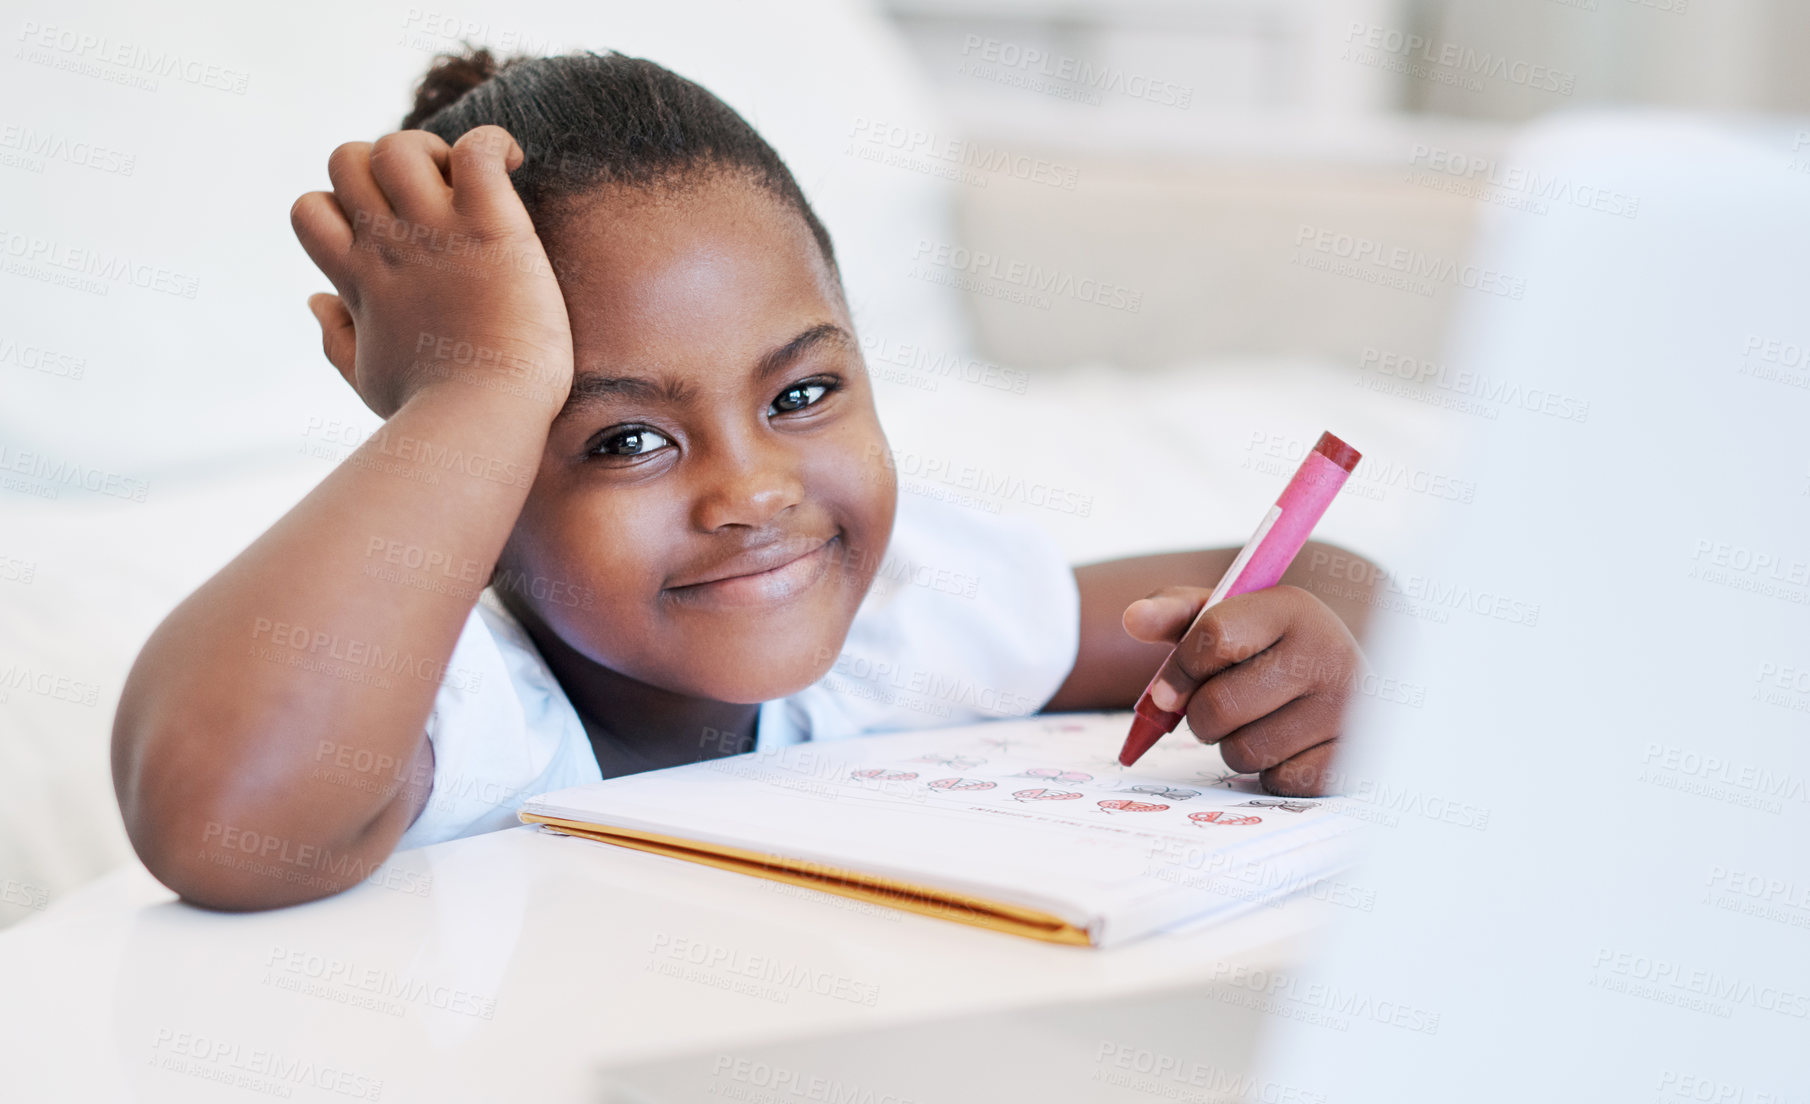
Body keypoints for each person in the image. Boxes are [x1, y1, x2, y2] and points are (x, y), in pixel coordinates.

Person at [111, 49, 1381, 910]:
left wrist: (1316, 668)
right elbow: (216, 816)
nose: (752, 492)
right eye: (624, 441)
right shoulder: (449, 700)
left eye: (800, 395)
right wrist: (469, 387)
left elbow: (1312, 575)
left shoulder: (901, 622)